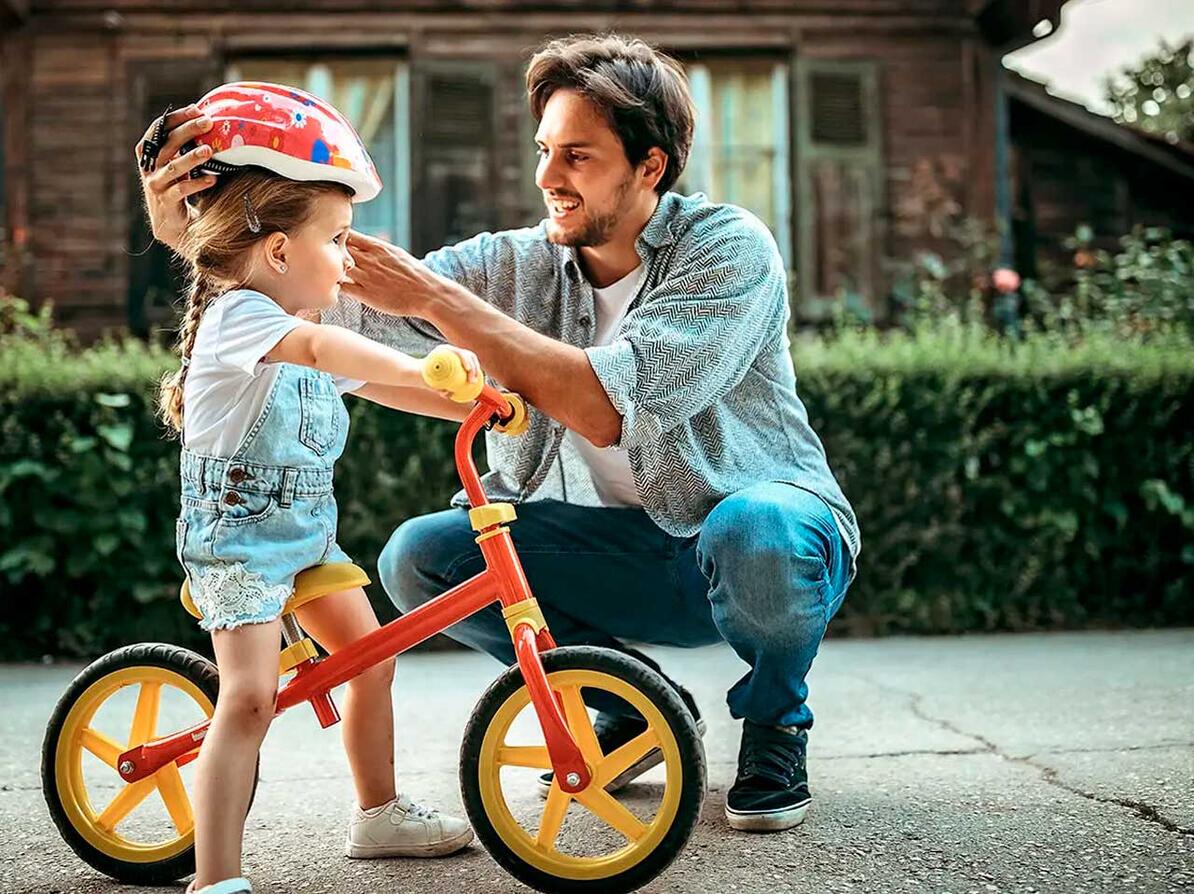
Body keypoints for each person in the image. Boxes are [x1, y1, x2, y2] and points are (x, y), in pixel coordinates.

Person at [138, 35, 860, 837]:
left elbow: (605, 404)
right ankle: (622, 698)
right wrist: (204, 242)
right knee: (422, 557)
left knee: (757, 527)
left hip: (741, 548)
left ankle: (775, 723)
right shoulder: (512, 264)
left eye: (578, 157)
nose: (548, 178)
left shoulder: (728, 250)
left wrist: (444, 305)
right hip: (613, 549)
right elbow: (306, 302)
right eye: (545, 151)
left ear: (649, 166)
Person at [151, 82, 477, 894]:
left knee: (370, 660)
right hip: (236, 549)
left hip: (303, 540)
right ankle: (216, 876)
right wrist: (418, 359)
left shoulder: (296, 328)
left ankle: (378, 814)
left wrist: (473, 400)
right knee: (252, 697)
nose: (349, 255)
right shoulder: (243, 320)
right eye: (336, 237)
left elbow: (381, 388)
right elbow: (338, 358)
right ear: (278, 251)